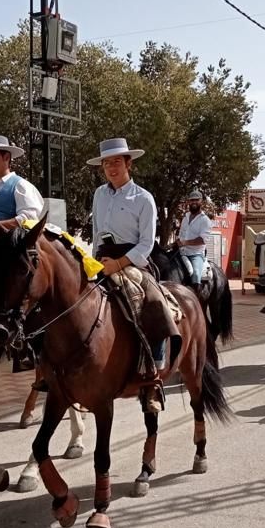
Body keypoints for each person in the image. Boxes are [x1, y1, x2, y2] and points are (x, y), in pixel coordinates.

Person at [90, 137, 181, 414]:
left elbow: (147, 243)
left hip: (132, 260)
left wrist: (118, 264)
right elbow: (96, 232)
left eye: (117, 161)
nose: (111, 167)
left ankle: (153, 376)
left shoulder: (144, 198)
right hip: (101, 258)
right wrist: (92, 263)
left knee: (152, 302)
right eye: (107, 163)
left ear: (129, 163)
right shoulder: (99, 195)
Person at [176, 190, 212, 287]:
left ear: (201, 202)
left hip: (195, 254)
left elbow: (202, 240)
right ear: (189, 202)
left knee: (195, 274)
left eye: (196, 200)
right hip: (181, 252)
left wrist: (185, 243)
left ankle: (197, 296)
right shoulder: (185, 217)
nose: (194, 202)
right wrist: (178, 242)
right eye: (192, 200)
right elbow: (181, 235)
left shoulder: (205, 220)